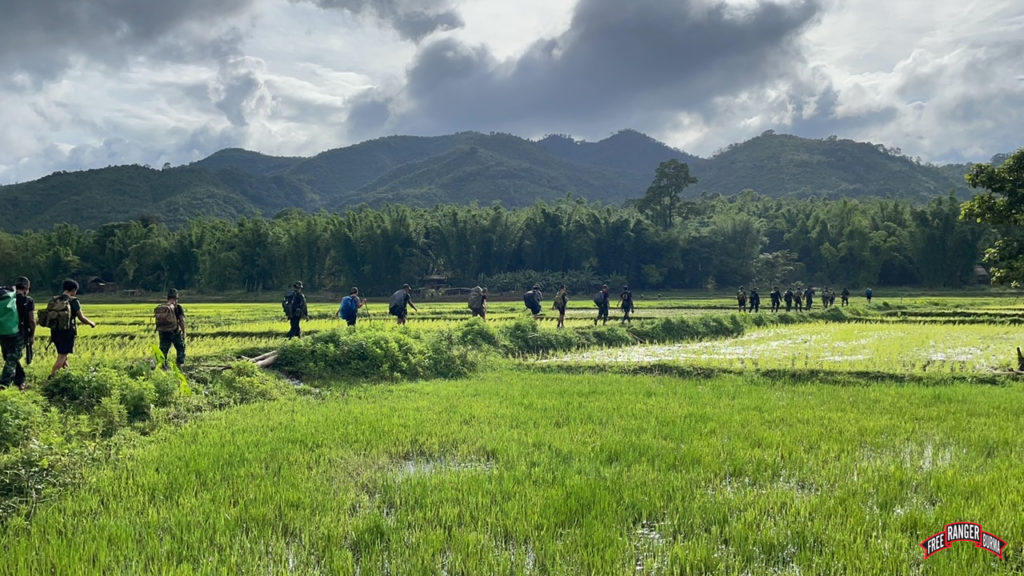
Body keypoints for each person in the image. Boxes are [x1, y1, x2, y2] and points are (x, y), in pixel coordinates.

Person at [49, 279, 96, 378]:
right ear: (74, 290)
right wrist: (91, 323)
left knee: (64, 356)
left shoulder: (54, 300)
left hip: (55, 331)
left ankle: (67, 377)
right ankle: (52, 377)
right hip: (68, 332)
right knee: (62, 356)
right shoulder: (73, 301)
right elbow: (81, 317)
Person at [0, 277, 34, 390]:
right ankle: (4, 384)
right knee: (12, 358)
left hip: (3, 331)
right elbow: (32, 320)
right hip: (19, 333)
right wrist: (32, 335)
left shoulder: (5, 297)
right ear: (27, 288)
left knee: (9, 357)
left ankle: (20, 381)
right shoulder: (27, 300)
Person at [156, 289, 186, 369]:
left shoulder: (162, 307)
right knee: (181, 347)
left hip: (163, 332)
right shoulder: (178, 307)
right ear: (176, 298)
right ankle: (179, 365)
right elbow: (181, 320)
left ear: (168, 298)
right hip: (174, 332)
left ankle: (162, 366)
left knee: (163, 350)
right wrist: (184, 332)